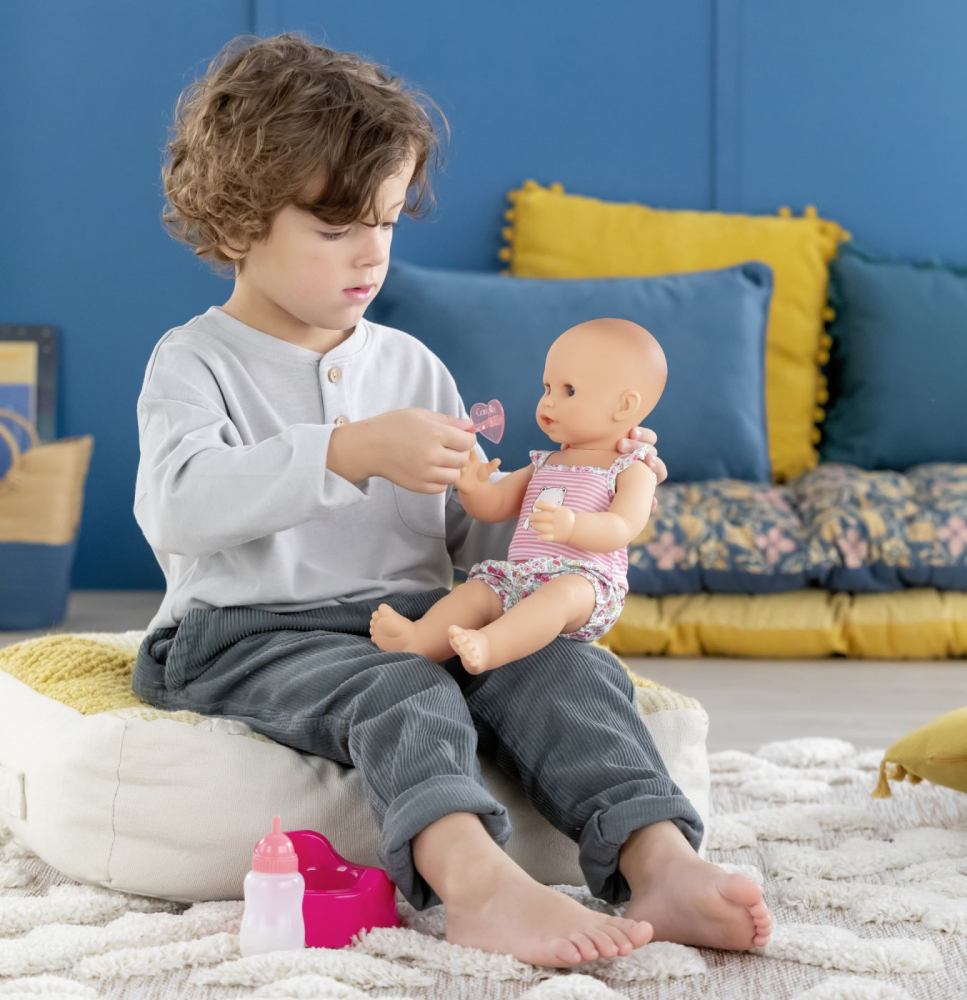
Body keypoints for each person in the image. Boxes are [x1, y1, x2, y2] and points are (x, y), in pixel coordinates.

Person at [131, 32, 772, 968]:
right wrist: (348, 451)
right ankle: (477, 889)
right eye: (335, 229)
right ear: (237, 227)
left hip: (418, 615)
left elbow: (473, 549)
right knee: (406, 689)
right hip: (246, 632)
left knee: (564, 669)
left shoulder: (410, 365)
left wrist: (567, 485)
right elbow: (179, 506)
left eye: (387, 223)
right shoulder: (195, 362)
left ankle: (658, 860)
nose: (371, 255)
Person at [370, 318, 666, 674]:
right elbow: (494, 507)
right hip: (522, 576)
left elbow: (622, 527)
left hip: (588, 585)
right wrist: (474, 487)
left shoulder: (632, 468)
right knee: (475, 592)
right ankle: (417, 640)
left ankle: (490, 645)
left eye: (569, 391)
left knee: (560, 596)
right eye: (547, 387)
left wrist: (573, 525)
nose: (548, 402)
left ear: (624, 406)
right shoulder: (545, 463)